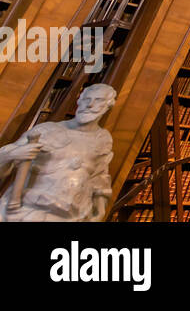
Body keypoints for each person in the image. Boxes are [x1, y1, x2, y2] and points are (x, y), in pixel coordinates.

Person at [0, 84, 116, 222]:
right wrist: (14, 154)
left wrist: (100, 209)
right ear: (79, 101)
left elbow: (99, 177)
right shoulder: (46, 130)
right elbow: (5, 158)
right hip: (27, 210)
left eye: (98, 100)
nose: (90, 105)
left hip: (72, 216)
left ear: (108, 106)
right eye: (86, 99)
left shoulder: (103, 139)